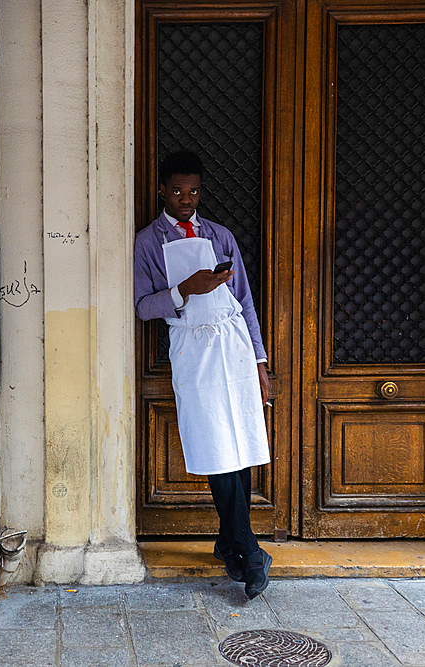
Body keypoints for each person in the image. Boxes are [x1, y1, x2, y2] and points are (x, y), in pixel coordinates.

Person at [134, 150, 272, 599]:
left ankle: (232, 543)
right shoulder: (148, 242)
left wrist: (259, 361)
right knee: (216, 445)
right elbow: (142, 306)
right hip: (193, 348)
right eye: (176, 191)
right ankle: (249, 550)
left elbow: (245, 300)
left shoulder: (221, 235)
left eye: (192, 191)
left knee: (241, 443)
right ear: (162, 190)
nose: (185, 199)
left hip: (232, 346)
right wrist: (183, 290)